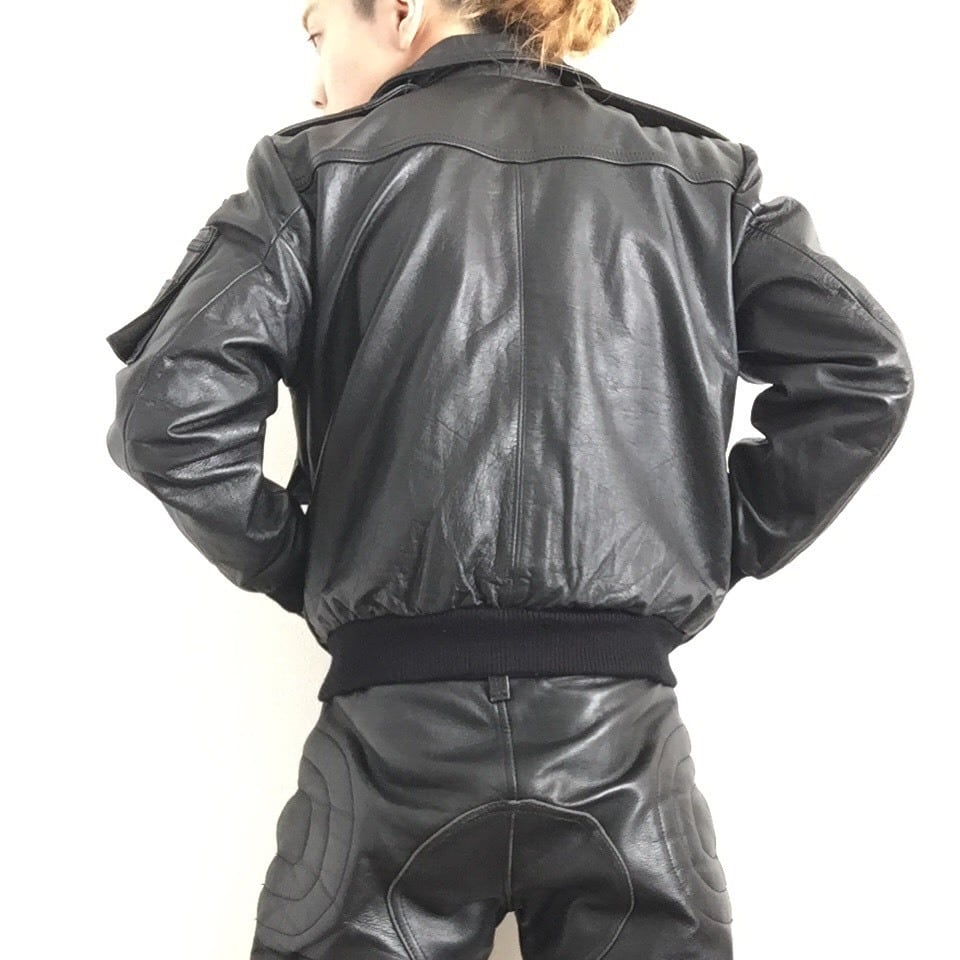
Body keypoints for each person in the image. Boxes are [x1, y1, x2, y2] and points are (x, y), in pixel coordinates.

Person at [104, 0, 915, 956]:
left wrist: (301, 561)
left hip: (389, 742)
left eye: (319, 36)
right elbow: (864, 373)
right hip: (623, 739)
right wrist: (715, 537)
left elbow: (169, 415)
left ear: (402, 9)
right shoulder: (701, 177)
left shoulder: (311, 173)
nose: (316, 87)